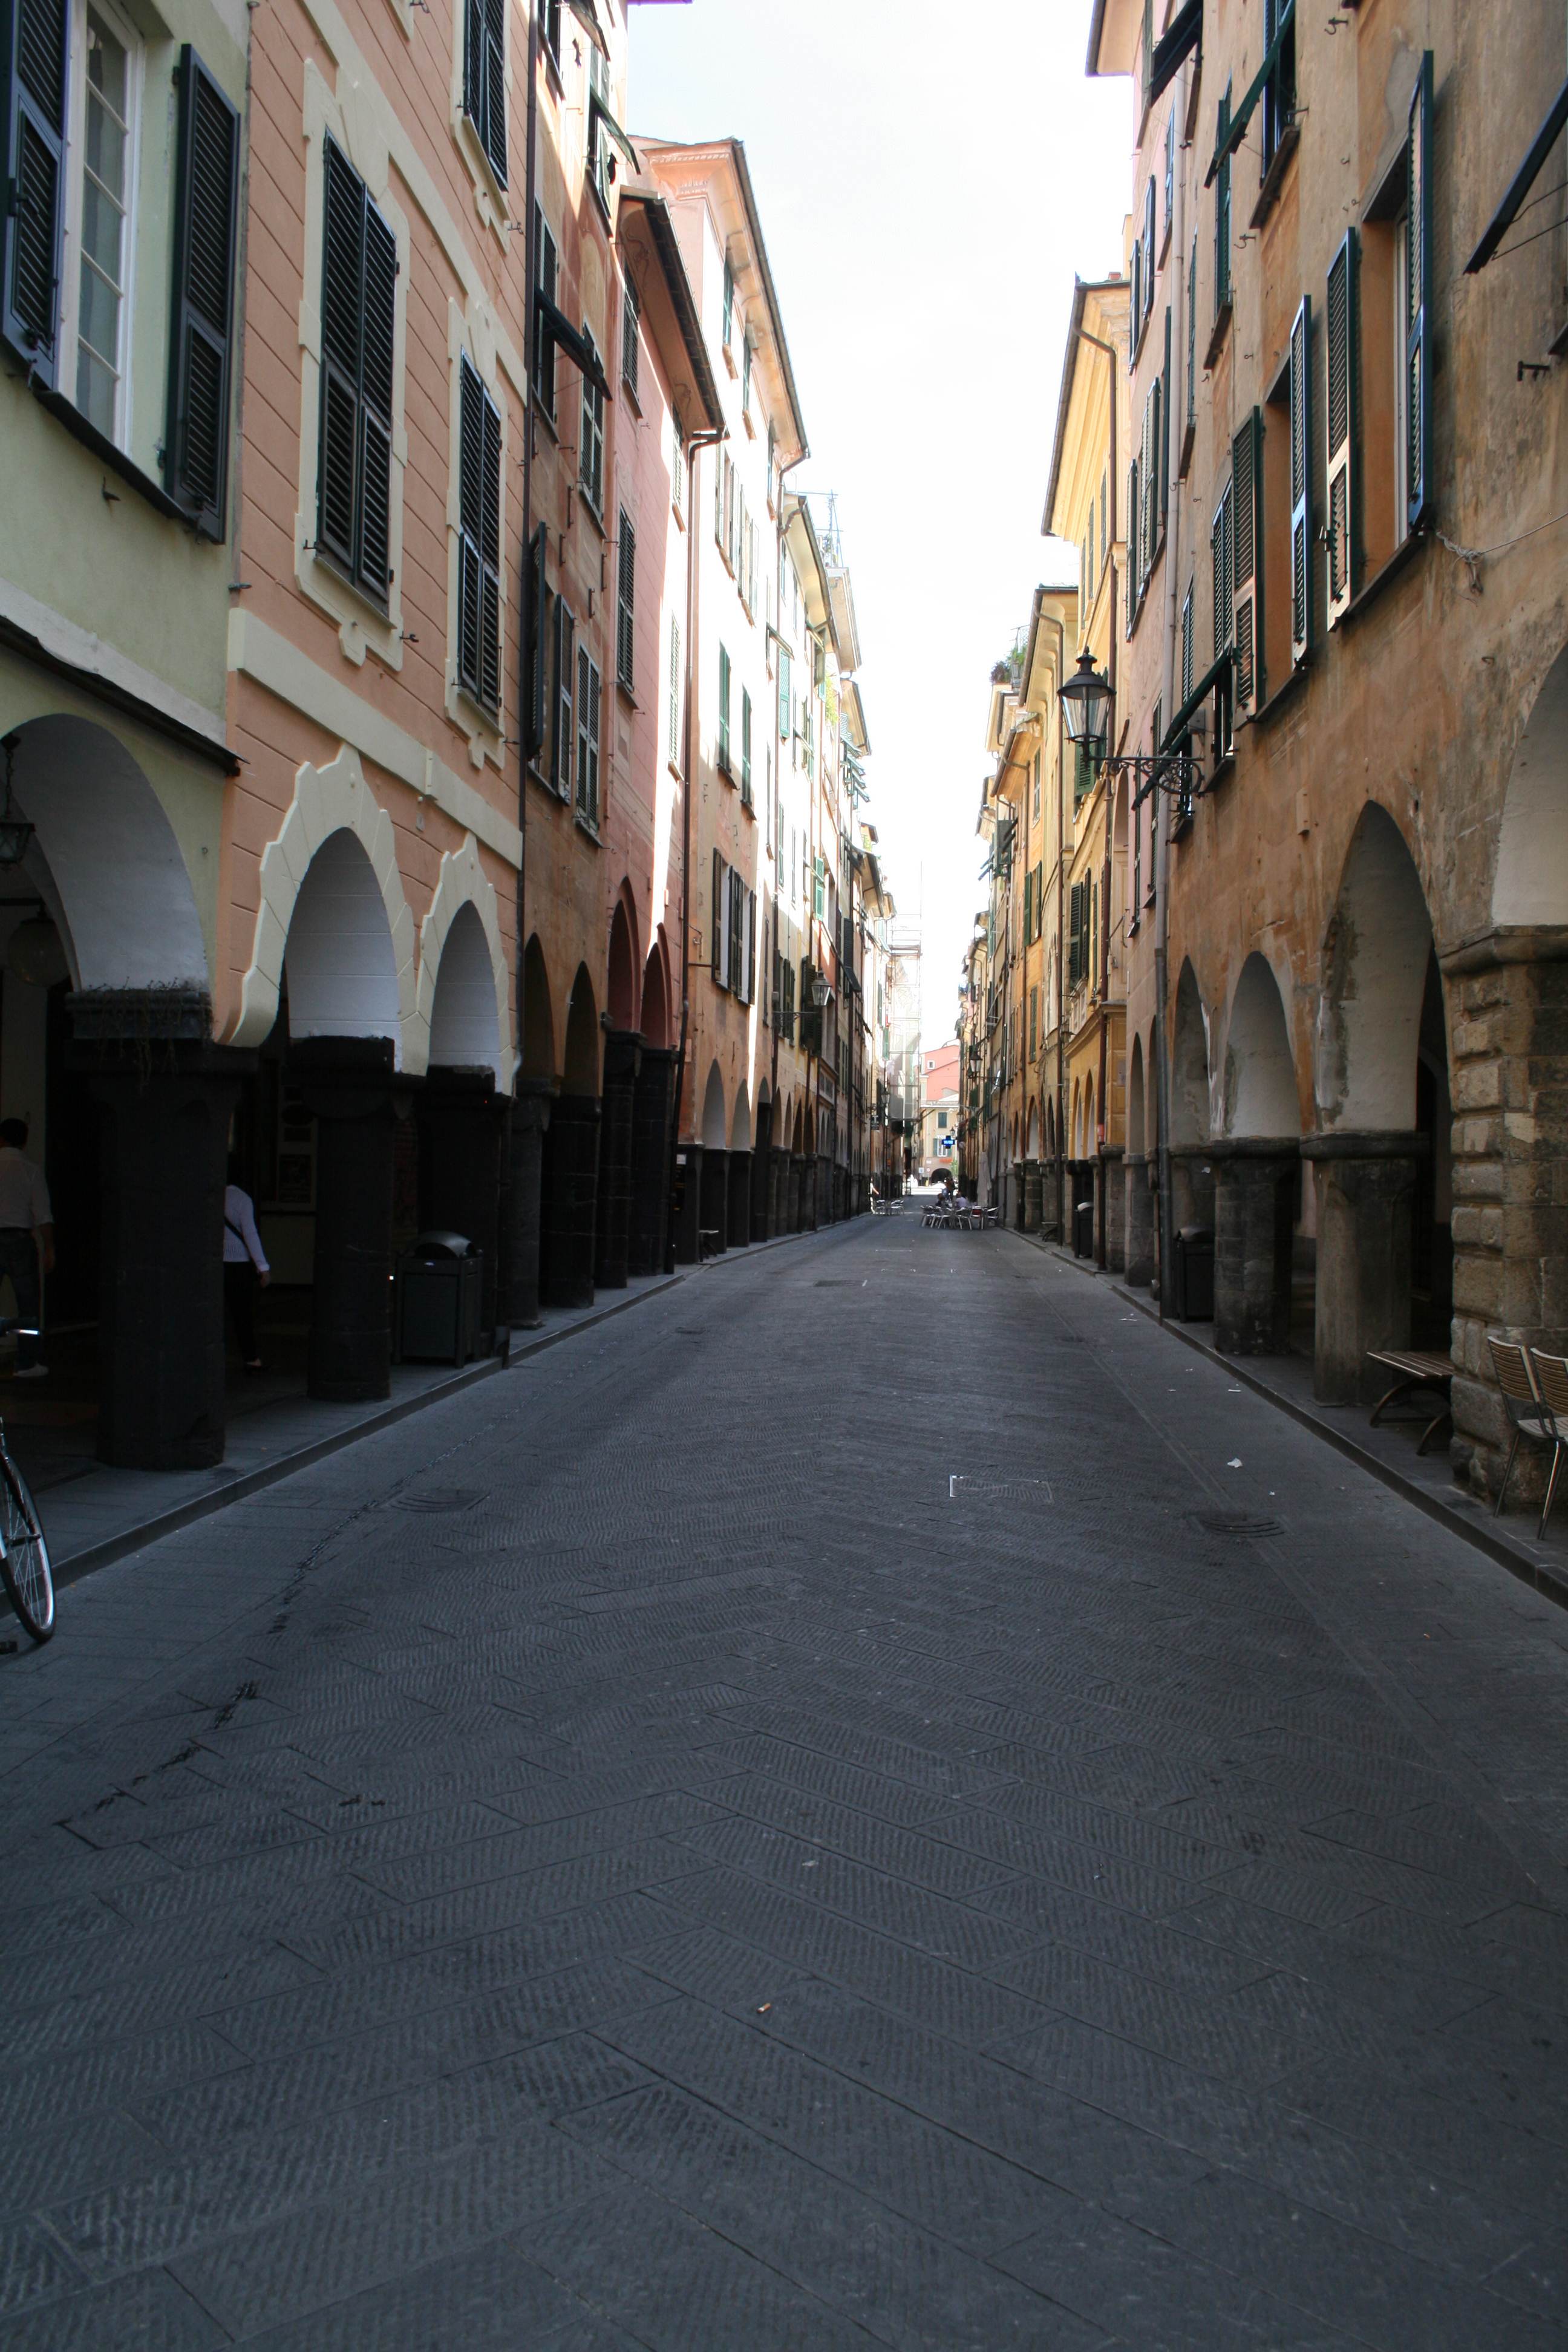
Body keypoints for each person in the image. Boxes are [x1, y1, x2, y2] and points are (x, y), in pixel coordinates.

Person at [0, 1117, 53, 1379]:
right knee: (28, 1305)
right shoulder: (30, 1170)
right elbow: (43, 1214)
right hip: (20, 1240)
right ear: (24, 1140)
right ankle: (26, 1362)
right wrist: (49, 1248)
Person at [223, 1171, 270, 1373]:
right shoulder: (242, 1200)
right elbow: (250, 1234)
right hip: (239, 1263)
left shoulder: (214, 1194)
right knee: (242, 1314)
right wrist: (263, 1267)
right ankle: (251, 1358)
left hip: (217, 1260)